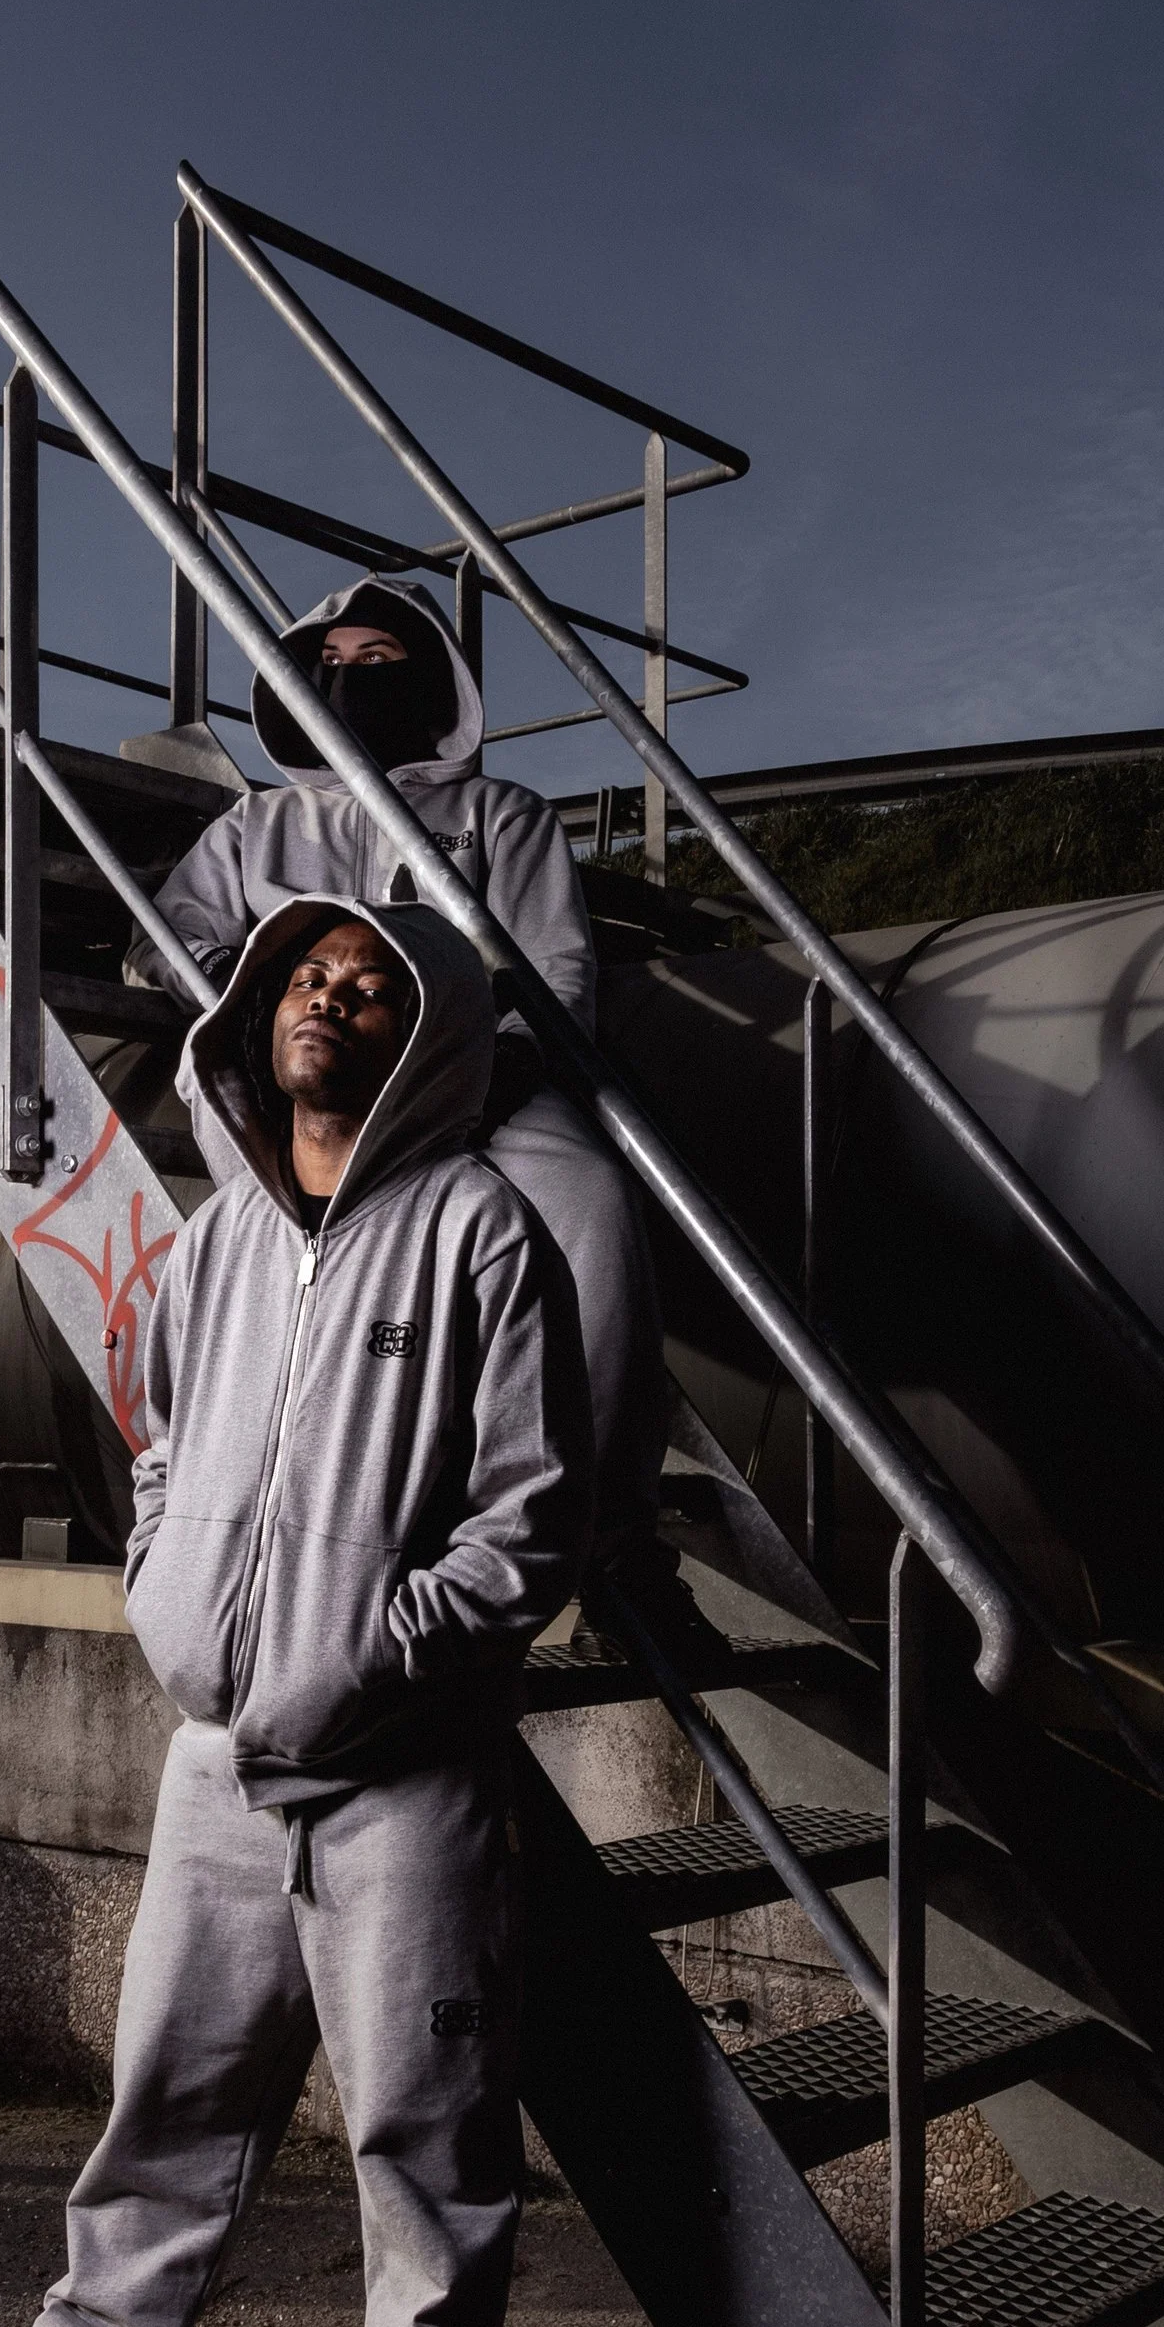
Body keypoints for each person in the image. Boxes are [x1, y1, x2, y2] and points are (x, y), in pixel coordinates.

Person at [0, 898, 593, 2327]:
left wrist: (369, 1661)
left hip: (404, 1778)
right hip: (213, 1766)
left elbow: (527, 1523)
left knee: (425, 2165)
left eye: (369, 981)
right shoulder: (202, 1251)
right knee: (164, 2119)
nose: (327, 997)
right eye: (302, 973)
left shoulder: (479, 1239)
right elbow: (171, 1457)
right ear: (258, 1012)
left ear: (425, 1031)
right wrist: (173, 1608)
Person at [130, 575, 678, 1621]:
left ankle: (606, 1538)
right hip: (304, 1088)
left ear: (429, 685)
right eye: (327, 664)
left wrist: (478, 1090)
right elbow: (169, 934)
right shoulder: (259, 824)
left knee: (594, 1206)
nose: (348, 680)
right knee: (261, 1252)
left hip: (474, 1082)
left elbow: (554, 973)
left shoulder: (499, 816)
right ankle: (237, 1527)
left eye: (377, 663)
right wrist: (249, 988)